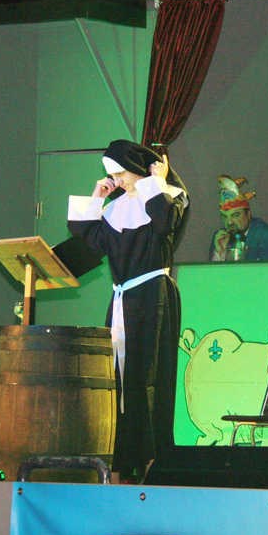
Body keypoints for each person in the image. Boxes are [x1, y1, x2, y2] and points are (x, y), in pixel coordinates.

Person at [66, 139, 187, 483]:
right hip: (122, 300)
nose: (116, 179)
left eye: (120, 172)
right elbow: (90, 240)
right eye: (112, 174)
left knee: (148, 377)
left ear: (136, 168)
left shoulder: (166, 196)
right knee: (118, 380)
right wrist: (97, 197)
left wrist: (155, 181)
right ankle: (120, 461)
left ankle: (151, 462)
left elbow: (164, 223)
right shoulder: (116, 208)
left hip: (152, 298)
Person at [209, 175, 268, 261]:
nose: (229, 222)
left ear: (249, 214)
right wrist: (220, 253)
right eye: (225, 216)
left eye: (236, 215)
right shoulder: (219, 238)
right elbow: (212, 269)